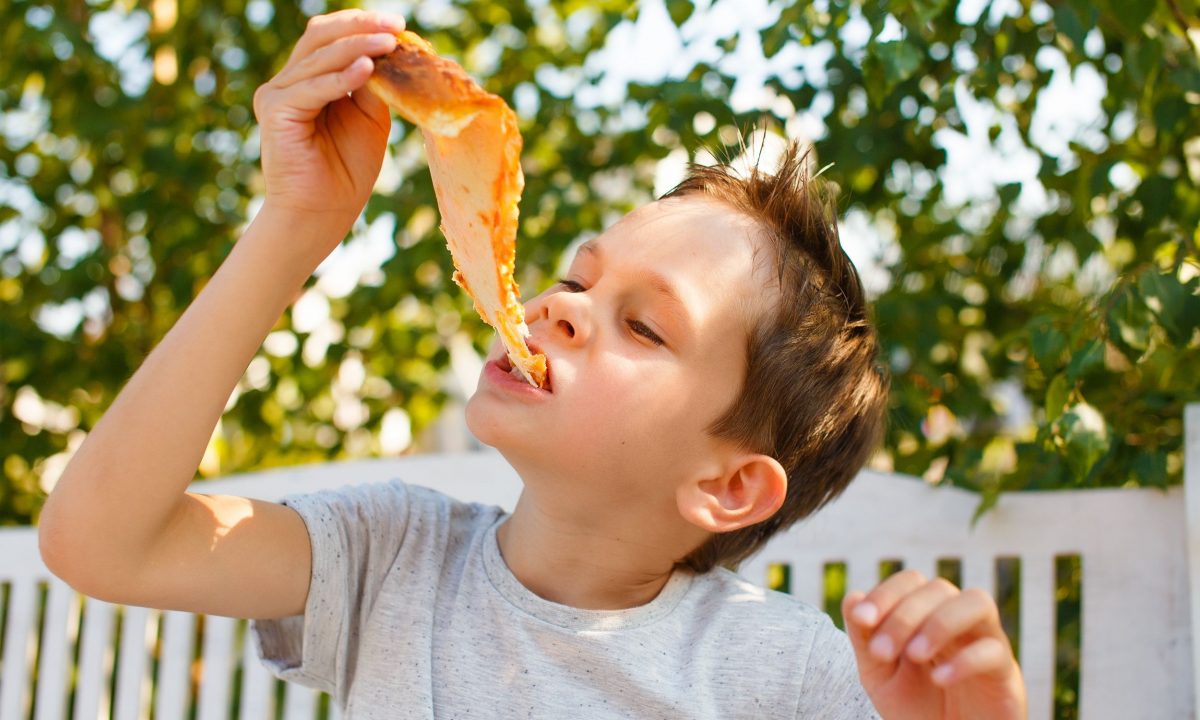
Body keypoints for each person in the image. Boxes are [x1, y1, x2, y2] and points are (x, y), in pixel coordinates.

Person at [37, 9, 1027, 719]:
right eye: (579, 278)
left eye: (642, 327)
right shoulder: (391, 561)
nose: (555, 306)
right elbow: (100, 545)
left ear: (728, 485)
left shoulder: (788, 674)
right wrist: (297, 224)